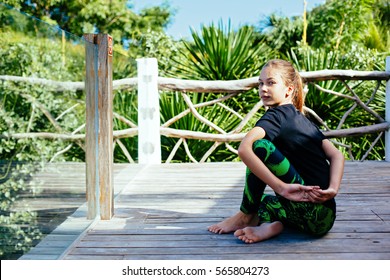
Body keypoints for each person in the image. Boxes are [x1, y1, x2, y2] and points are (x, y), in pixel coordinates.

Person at [208, 59, 345, 244]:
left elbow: (244, 148)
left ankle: (245, 215)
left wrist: (281, 188)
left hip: (305, 210)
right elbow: (336, 154)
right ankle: (270, 224)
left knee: (259, 147)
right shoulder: (303, 120)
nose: (263, 88)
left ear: (289, 90)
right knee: (262, 200)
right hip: (325, 219)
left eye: (271, 83)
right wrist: (332, 189)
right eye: (260, 83)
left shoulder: (275, 116)